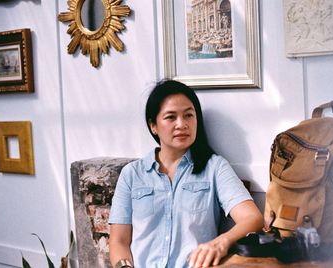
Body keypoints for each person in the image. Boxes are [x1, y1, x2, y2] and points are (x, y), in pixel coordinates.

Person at [108, 80, 264, 268]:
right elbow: (119, 241)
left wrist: (221, 243)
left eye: (189, 115)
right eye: (171, 117)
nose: (181, 124)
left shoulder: (215, 167)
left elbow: (252, 218)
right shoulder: (131, 175)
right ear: (153, 126)